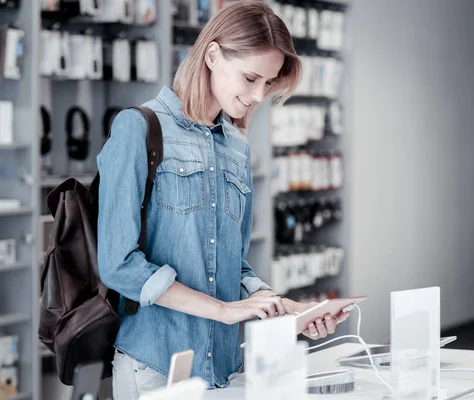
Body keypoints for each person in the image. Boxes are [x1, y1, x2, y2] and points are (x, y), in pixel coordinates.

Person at [97, 1, 349, 398]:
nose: (258, 95)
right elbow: (119, 264)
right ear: (212, 55)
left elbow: (232, 261)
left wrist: (278, 307)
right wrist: (224, 310)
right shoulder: (138, 128)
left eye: (267, 83)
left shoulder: (237, 147)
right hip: (156, 367)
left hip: (225, 367)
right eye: (250, 78)